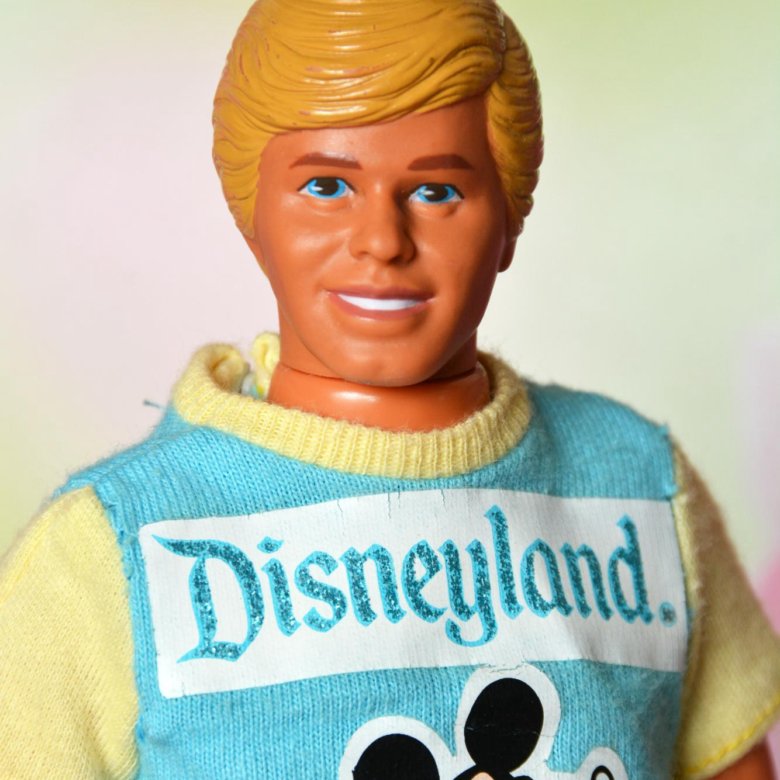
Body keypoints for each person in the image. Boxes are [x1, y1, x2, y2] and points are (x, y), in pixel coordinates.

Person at [1, 0, 778, 777]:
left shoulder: (638, 486)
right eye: (326, 187)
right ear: (251, 212)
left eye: (436, 192)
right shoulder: (111, 547)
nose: (381, 241)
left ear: (509, 215)